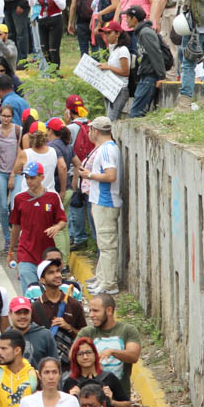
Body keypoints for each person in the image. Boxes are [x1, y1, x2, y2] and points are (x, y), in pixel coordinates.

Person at [75, 117, 122, 295]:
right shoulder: (106, 148)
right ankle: (102, 278)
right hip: (101, 201)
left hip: (106, 201)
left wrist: (89, 175)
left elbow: (111, 176)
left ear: (95, 131)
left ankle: (109, 283)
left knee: (108, 245)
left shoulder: (107, 150)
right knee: (104, 244)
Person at [78, 293, 140, 407]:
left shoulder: (127, 330)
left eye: (95, 311)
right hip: (90, 404)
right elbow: (73, 356)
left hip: (119, 404)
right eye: (90, 311)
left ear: (109, 310)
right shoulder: (87, 332)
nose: (91, 315)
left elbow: (134, 356)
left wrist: (112, 352)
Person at [7, 162, 66, 292]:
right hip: (26, 252)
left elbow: (62, 220)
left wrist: (57, 227)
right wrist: (11, 251)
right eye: (26, 177)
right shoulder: (19, 198)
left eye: (32, 177)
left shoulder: (53, 197)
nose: (29, 181)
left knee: (47, 292)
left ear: (42, 177)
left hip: (47, 254)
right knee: (31, 291)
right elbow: (16, 226)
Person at [60, 336, 131, 407]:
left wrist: (112, 401)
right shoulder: (71, 382)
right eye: (80, 354)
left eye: (88, 352)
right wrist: (71, 399)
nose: (85, 357)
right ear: (75, 358)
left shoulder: (109, 377)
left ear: (95, 354)